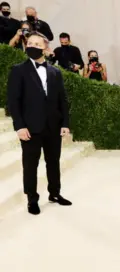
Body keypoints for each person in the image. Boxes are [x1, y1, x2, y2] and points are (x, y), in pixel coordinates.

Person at [6, 31, 72, 215]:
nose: (33, 46)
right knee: (30, 165)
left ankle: (55, 193)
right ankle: (32, 199)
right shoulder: (18, 70)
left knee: (53, 162)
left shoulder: (55, 72)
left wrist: (65, 123)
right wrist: (19, 126)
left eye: (37, 44)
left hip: (53, 126)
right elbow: (13, 101)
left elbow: (62, 100)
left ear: (45, 48)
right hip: (30, 127)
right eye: (30, 43)